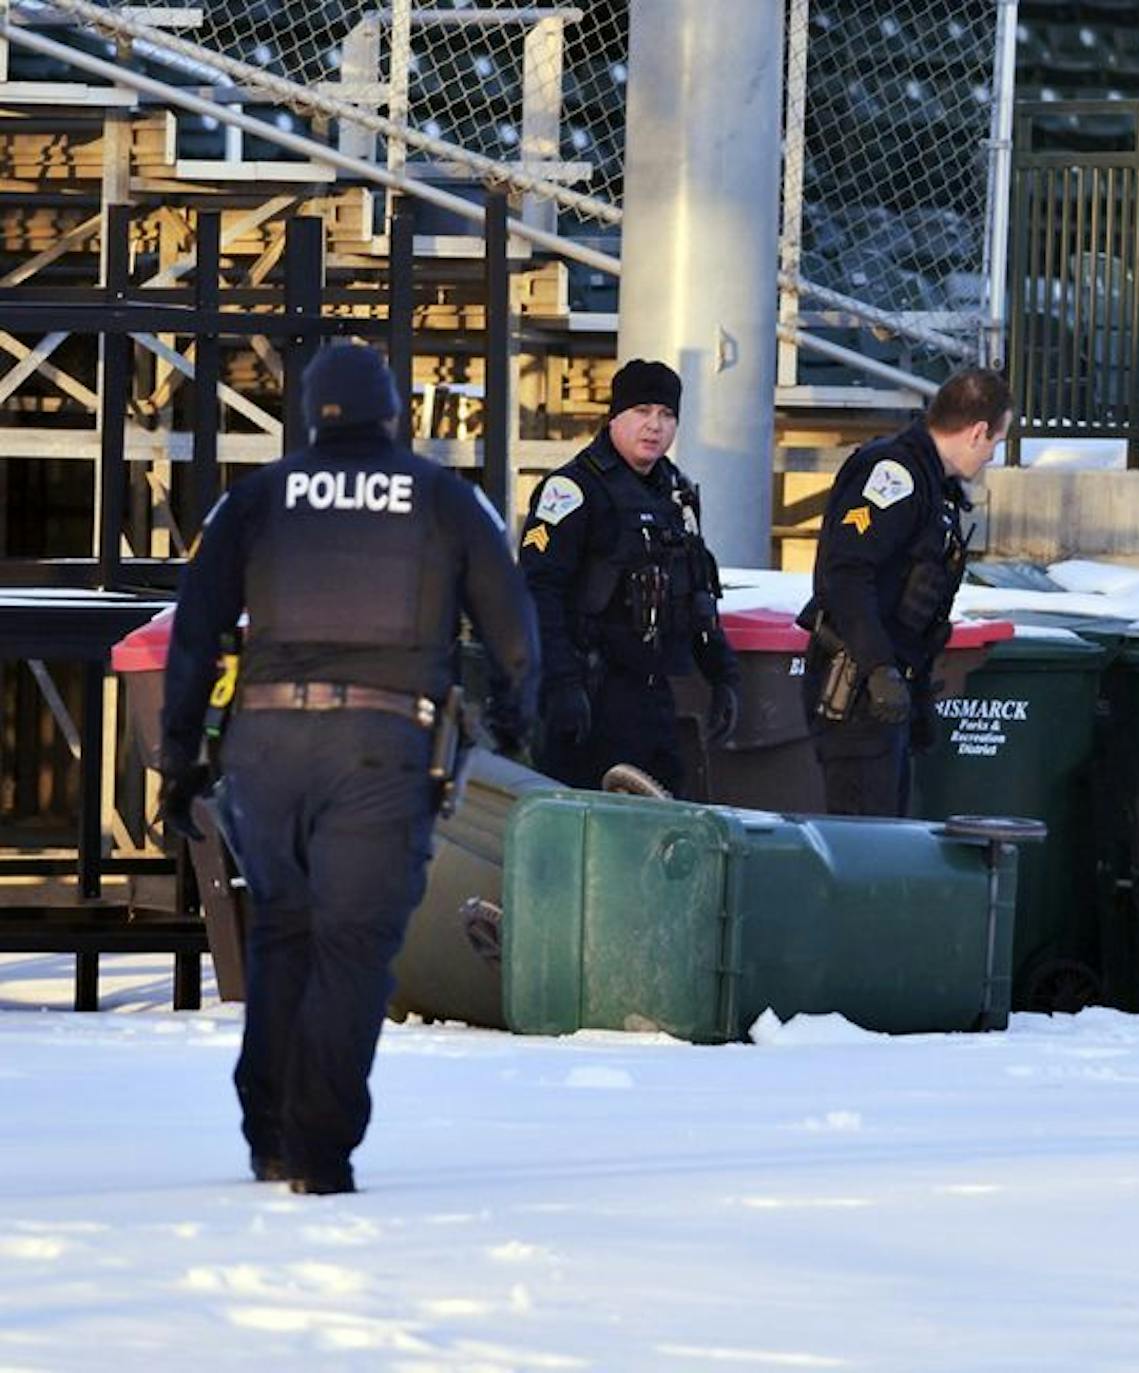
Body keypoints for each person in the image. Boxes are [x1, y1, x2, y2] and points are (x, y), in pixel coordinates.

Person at [156, 342, 539, 1195]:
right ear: (393, 414)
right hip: (382, 747)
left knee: (285, 931)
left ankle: (269, 1135)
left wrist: (179, 757)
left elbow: (194, 630)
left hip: (265, 750)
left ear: (307, 416)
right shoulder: (444, 499)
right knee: (353, 945)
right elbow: (512, 629)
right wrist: (510, 724)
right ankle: (318, 1151)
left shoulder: (255, 499)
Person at [517, 359, 739, 795]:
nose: (654, 426)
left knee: (662, 827)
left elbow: (697, 591)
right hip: (591, 696)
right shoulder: (573, 491)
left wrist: (724, 675)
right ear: (614, 416)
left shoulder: (676, 493)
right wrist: (560, 686)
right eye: (642, 412)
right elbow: (537, 593)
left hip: (656, 699)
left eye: (667, 414)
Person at [796, 368, 1010, 816]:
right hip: (856, 693)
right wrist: (877, 669)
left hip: (889, 695)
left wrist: (914, 697)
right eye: (995, 442)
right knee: (864, 849)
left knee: (887, 843)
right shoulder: (896, 474)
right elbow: (846, 573)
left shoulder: (936, 485)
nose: (992, 455)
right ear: (977, 432)